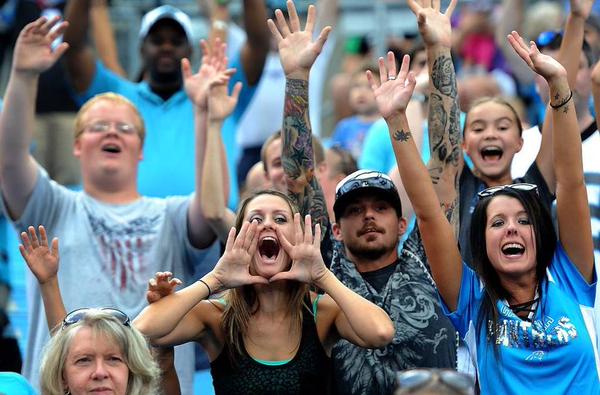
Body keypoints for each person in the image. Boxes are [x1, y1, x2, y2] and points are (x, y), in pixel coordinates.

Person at [0, 17, 231, 393]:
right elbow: (9, 160)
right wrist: (24, 75)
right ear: (77, 146)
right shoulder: (51, 207)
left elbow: (214, 209)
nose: (111, 131)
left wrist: (205, 113)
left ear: (141, 151)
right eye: (97, 126)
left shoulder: (170, 215)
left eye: (124, 128)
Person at [381, 3, 598, 393]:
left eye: (523, 220)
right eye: (497, 223)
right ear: (481, 241)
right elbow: (430, 215)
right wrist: (397, 121)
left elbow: (571, 182)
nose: (511, 228)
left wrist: (560, 89)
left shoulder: (568, 274)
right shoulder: (473, 297)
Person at [134, 189, 395, 395]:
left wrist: (322, 276)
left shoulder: (322, 312)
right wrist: (215, 279)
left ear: (297, 237)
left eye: (280, 219)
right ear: (238, 238)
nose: (267, 225)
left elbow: (380, 332)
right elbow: (142, 329)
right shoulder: (216, 315)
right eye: (255, 219)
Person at [63, 0, 270, 208]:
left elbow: (258, 45)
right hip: (123, 233)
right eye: (157, 40)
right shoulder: (114, 97)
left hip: (211, 235)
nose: (167, 47)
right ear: (141, 49)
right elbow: (72, 49)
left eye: (176, 41)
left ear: (190, 50)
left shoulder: (218, 93)